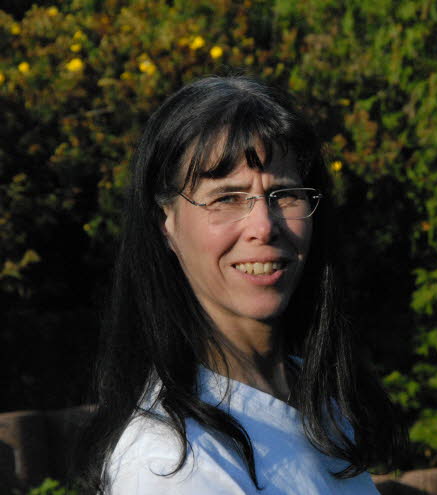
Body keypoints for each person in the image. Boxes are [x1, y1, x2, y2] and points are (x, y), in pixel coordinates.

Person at [73, 76, 406, 494]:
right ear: (166, 224)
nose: (264, 227)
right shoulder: (171, 461)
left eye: (285, 194)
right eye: (226, 198)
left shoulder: (314, 396)